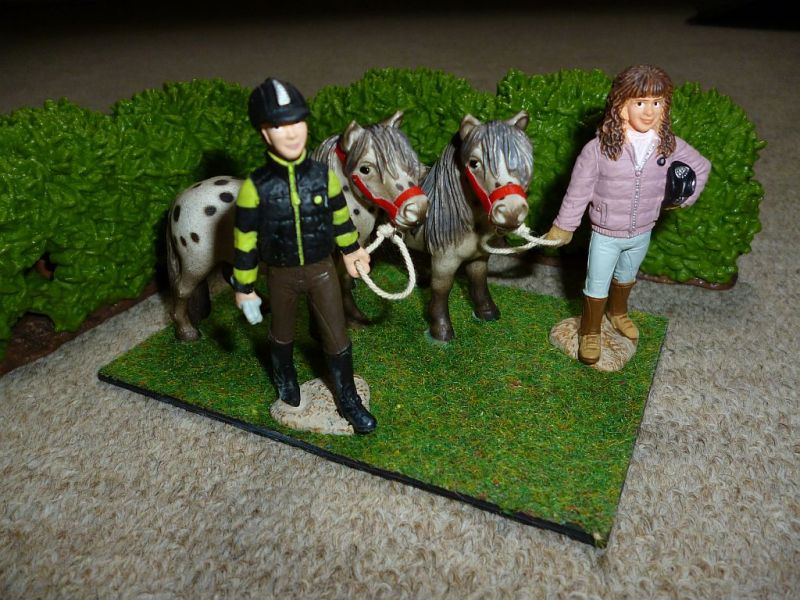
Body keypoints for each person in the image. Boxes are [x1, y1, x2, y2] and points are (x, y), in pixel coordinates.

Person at [232, 77, 377, 433]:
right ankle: (286, 386)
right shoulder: (255, 188)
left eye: (297, 122)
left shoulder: (323, 177)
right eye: (280, 126)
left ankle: (348, 398)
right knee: (281, 333)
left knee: (336, 334)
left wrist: (352, 250)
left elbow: (340, 218)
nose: (292, 133)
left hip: (321, 270)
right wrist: (245, 287)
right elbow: (245, 240)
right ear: (265, 133)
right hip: (279, 274)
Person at [546, 64, 711, 365]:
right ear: (621, 105)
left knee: (626, 276)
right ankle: (590, 330)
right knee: (596, 284)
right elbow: (579, 190)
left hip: (643, 230)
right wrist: (564, 226)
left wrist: (682, 198)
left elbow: (701, 166)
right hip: (606, 234)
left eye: (656, 103)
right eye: (640, 102)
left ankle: (618, 312)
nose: (649, 112)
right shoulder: (597, 149)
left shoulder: (667, 145)